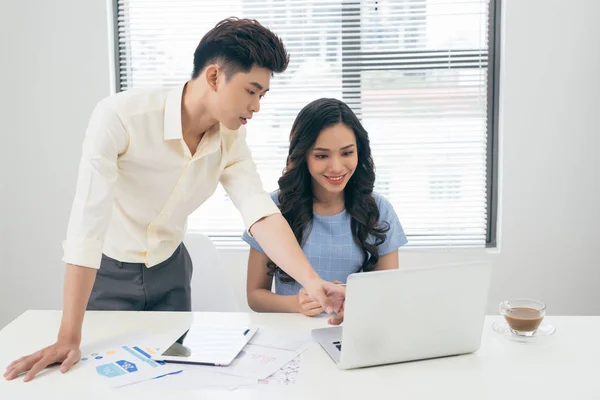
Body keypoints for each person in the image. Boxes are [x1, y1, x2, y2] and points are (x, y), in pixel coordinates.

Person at [4, 18, 344, 383]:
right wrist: (68, 335)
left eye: (262, 96)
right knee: (96, 380)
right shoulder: (120, 116)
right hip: (107, 273)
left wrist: (311, 280)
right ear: (214, 77)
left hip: (171, 271)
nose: (257, 106)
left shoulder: (231, 139)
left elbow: (259, 212)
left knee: (175, 377)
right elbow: (88, 224)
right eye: (251, 91)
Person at [243, 98, 407, 325]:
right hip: (290, 334)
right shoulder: (272, 210)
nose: (337, 167)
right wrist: (297, 304)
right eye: (322, 156)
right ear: (303, 156)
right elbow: (255, 296)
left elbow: (388, 293)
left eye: (347, 153)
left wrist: (356, 300)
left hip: (353, 333)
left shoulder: (379, 210)